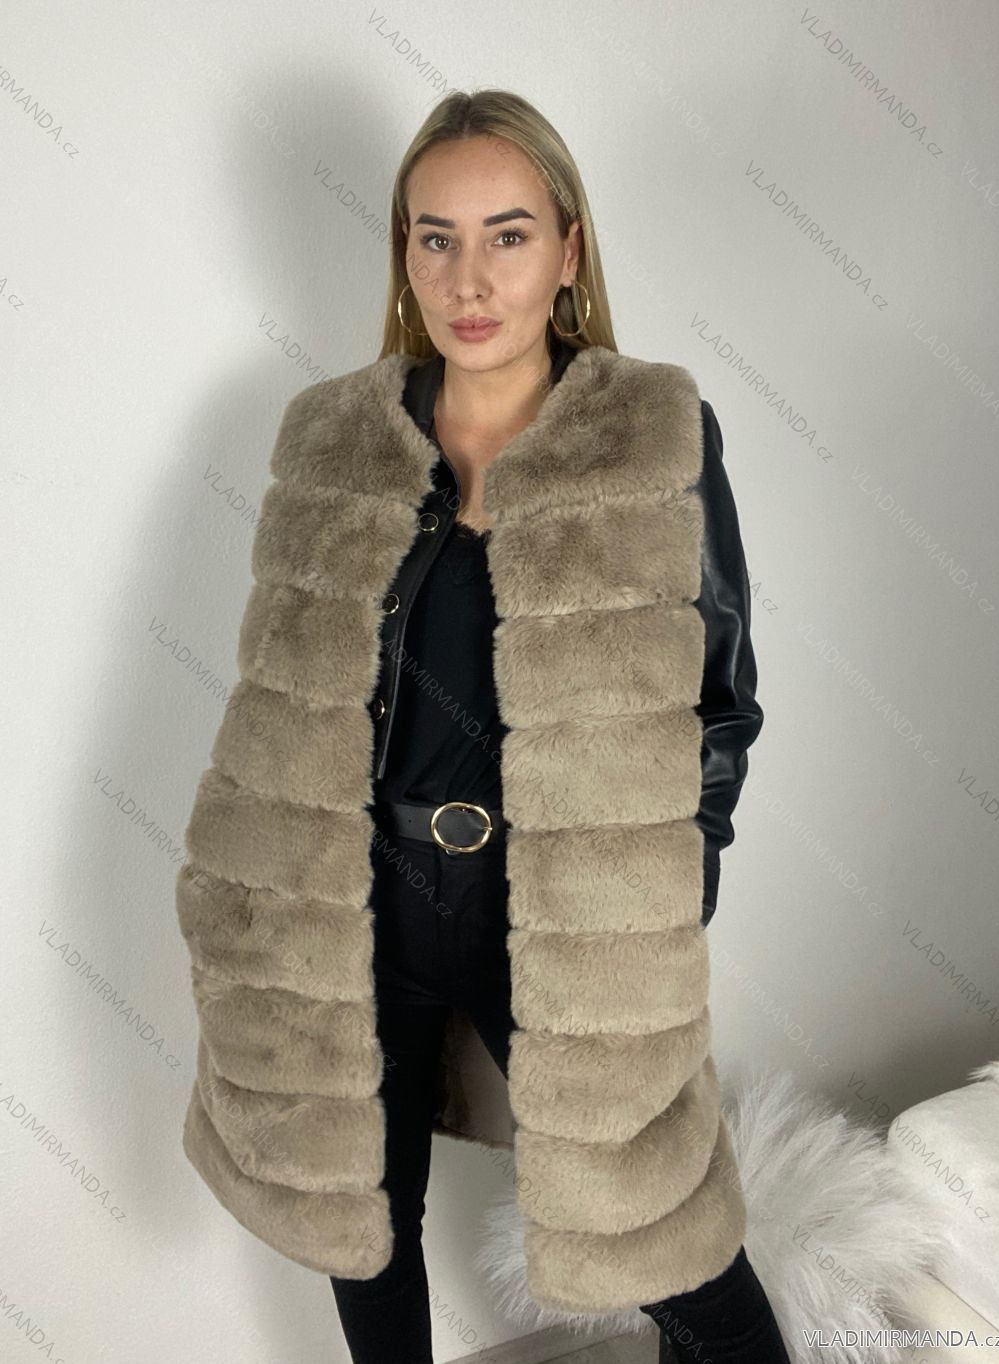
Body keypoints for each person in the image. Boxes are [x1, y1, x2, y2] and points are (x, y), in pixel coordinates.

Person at [175, 89, 791, 1364]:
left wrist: (658, 898)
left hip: (563, 913)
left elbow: (721, 701)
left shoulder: (651, 437)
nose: (470, 278)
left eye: (508, 234)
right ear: (402, 254)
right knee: (365, 1228)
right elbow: (273, 701)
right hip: (358, 910)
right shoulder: (333, 440)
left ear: (568, 250)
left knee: (670, 1249)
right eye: (435, 237)